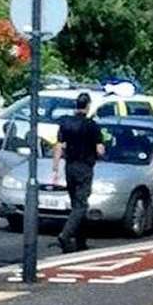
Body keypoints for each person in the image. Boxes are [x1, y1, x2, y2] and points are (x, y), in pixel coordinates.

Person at [51, 93, 104, 253]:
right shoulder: (92, 126)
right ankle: (65, 235)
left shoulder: (66, 123)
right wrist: (102, 151)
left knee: (76, 204)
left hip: (70, 166)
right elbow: (99, 150)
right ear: (88, 106)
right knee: (81, 205)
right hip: (85, 167)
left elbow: (59, 146)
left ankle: (81, 240)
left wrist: (55, 168)